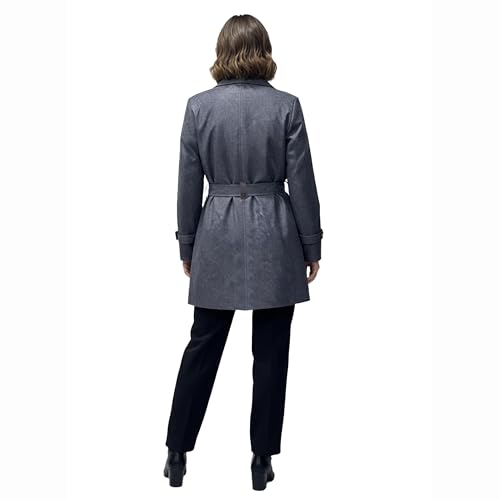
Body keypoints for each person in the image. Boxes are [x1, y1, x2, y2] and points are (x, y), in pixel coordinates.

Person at [164, 14, 323, 490]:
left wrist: (188, 243)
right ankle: (260, 460)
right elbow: (303, 182)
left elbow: (188, 185)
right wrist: (311, 244)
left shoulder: (198, 108)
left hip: (217, 233)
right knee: (271, 351)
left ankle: (176, 453)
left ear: (222, 51)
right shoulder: (287, 107)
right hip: (276, 234)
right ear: (263, 49)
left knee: (203, 345)